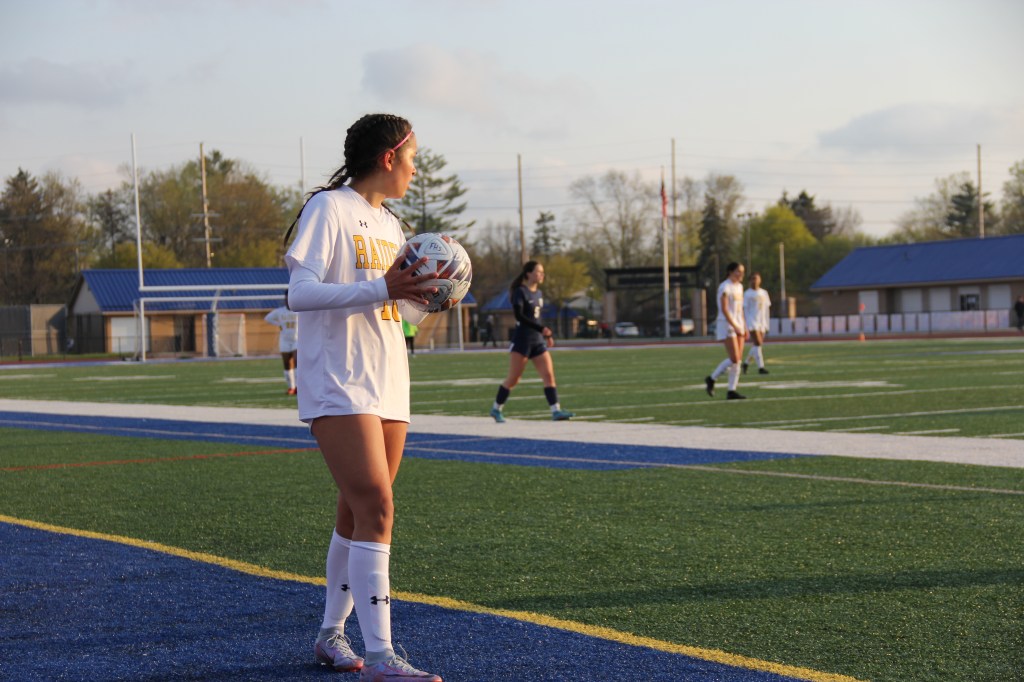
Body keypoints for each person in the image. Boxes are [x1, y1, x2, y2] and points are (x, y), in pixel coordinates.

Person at [284, 113, 444, 682]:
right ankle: (381, 656)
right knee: (377, 505)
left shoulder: (393, 226)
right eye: (412, 158)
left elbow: (399, 312)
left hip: (388, 379)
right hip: (339, 378)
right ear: (388, 157)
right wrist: (383, 286)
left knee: (357, 511)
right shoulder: (329, 208)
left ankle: (331, 634)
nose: (415, 169)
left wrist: (433, 296)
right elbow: (299, 293)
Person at [489, 261, 574, 422]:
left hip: (537, 341)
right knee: (514, 379)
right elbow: (519, 316)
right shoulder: (520, 292)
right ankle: (496, 409)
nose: (542, 275)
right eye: (538, 272)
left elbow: (537, 318)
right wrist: (541, 329)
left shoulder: (539, 293)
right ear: (528, 273)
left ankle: (556, 411)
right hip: (522, 340)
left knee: (549, 376)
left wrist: (546, 335)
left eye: (542, 272)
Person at [705, 262, 749, 400]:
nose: (741, 274)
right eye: (738, 271)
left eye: (742, 271)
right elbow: (724, 309)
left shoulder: (740, 287)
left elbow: (740, 309)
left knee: (738, 360)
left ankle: (731, 390)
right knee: (734, 358)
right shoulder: (725, 287)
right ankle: (712, 378)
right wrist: (734, 325)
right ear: (730, 272)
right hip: (727, 324)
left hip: (738, 324)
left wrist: (744, 326)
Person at [264, 290, 299, 395]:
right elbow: (267, 318)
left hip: (296, 340)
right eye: (286, 298)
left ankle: (299, 386)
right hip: (284, 340)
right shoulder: (280, 312)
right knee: (287, 364)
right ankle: (291, 387)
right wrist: (278, 324)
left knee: (297, 361)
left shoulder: (298, 311)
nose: (288, 300)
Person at [742, 272, 771, 375]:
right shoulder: (747, 294)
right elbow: (744, 309)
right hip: (752, 321)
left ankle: (746, 363)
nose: (755, 281)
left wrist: (766, 323)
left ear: (760, 280)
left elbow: (767, 309)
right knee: (758, 343)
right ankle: (761, 367)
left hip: (761, 322)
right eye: (753, 279)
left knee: (756, 345)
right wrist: (745, 323)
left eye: (757, 278)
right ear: (750, 281)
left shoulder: (764, 293)